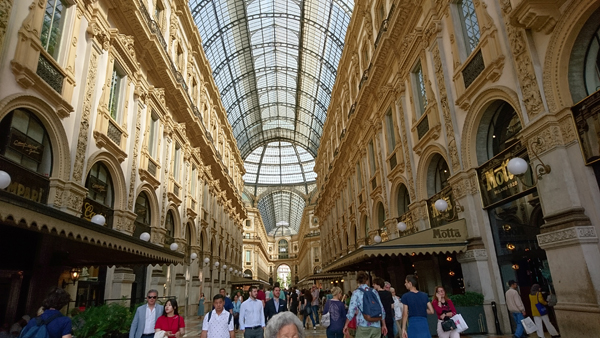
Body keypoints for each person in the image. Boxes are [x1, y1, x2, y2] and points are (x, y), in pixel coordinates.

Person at [343, 271, 388, 338]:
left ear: (357, 281)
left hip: (363, 325)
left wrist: (346, 325)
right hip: (376, 325)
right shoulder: (374, 291)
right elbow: (382, 309)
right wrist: (384, 325)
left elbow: (351, 310)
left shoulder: (356, 293)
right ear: (367, 281)